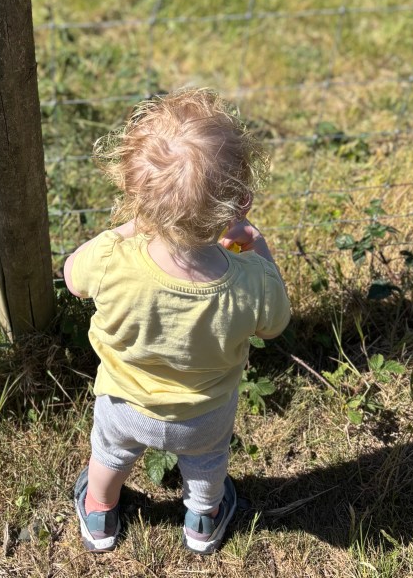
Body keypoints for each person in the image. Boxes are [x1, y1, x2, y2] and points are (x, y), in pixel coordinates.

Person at [63, 88, 291, 554]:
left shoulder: (112, 259)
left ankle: (100, 514)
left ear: (133, 194)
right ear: (236, 201)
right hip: (202, 414)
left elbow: (72, 278)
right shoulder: (251, 281)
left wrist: (131, 227)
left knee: (109, 454)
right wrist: (258, 247)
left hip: (123, 403)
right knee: (207, 464)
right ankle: (202, 523)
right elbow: (275, 325)